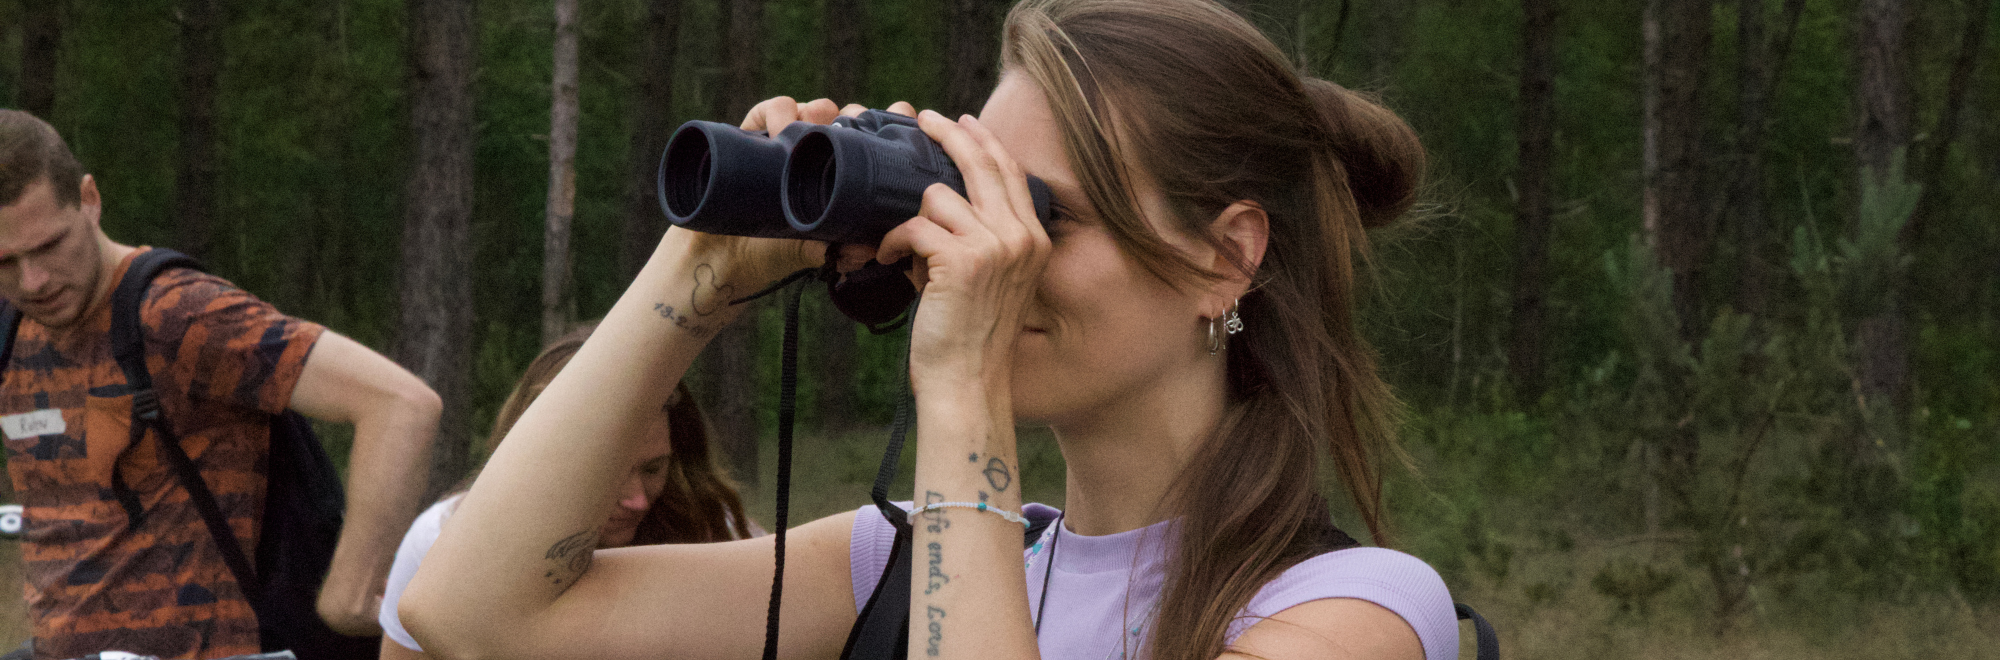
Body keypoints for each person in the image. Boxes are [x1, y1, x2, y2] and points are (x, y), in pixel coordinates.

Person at [401, 1, 1456, 658]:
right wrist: (700, 272)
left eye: (1040, 213)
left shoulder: (1355, 612)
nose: (984, 248)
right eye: (966, 197)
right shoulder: (887, 563)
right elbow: (473, 616)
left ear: (1223, 257)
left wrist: (960, 386)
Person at [0, 109, 441, 659]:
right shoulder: (12, 324)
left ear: (89, 199)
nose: (32, 281)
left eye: (48, 246)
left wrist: (349, 591)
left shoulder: (177, 313)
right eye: (5, 262)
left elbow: (400, 402)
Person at [376, 324, 757, 660]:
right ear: (537, 460)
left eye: (654, 468)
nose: (638, 499)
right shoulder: (438, 546)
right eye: (608, 474)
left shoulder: (708, 532)